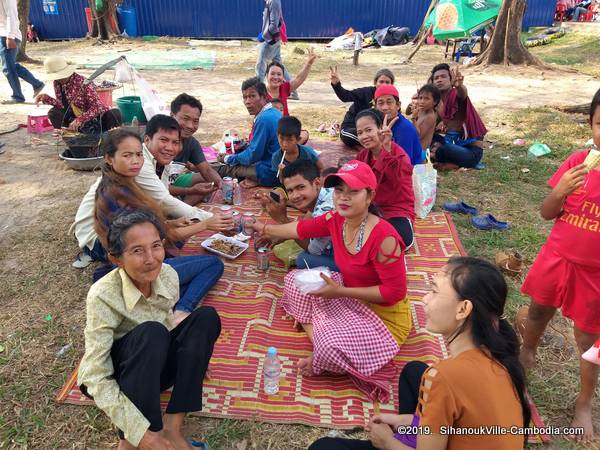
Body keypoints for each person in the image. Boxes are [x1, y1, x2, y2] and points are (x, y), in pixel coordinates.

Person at [309, 257, 531, 450]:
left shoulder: (444, 376)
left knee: (323, 447)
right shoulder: (500, 358)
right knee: (414, 371)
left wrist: (386, 441)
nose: (424, 298)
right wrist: (406, 421)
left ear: (463, 309)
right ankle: (412, 434)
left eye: (434, 291)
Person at [250, 160, 411, 400]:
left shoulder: (384, 237)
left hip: (383, 318)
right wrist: (260, 227)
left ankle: (327, 347)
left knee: (328, 347)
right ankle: (322, 335)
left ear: (369, 196)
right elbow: (299, 230)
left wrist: (341, 293)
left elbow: (394, 293)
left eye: (353, 192)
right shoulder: (336, 219)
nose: (343, 198)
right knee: (295, 279)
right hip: (347, 294)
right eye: (338, 191)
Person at [78, 209, 221, 450]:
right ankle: (141, 438)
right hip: (122, 376)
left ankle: (172, 429)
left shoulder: (168, 275)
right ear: (116, 259)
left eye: (156, 246)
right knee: (151, 333)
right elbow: (95, 375)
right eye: (137, 250)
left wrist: (191, 359)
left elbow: (167, 324)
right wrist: (143, 434)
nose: (151, 258)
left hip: (154, 369)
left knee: (205, 318)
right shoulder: (103, 295)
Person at [518, 89, 600, 444]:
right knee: (538, 311)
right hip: (556, 257)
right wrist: (560, 190)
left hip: (594, 273)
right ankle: (527, 351)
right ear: (590, 124)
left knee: (587, 337)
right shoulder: (577, 163)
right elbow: (546, 212)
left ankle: (584, 401)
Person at [93, 128, 229, 323]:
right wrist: (205, 225)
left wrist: (172, 222)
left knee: (182, 240)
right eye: (127, 155)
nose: (135, 160)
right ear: (109, 158)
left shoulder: (121, 184)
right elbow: (161, 237)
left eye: (139, 154)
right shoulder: (118, 193)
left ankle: (158, 297)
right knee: (213, 264)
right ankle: (181, 310)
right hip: (138, 266)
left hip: (135, 255)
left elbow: (145, 225)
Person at [71, 115, 229, 268]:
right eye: (164, 140)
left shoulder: (143, 166)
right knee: (195, 252)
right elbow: (164, 207)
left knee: (179, 230)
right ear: (147, 140)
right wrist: (208, 222)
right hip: (98, 240)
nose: (170, 147)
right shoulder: (129, 176)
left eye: (175, 142)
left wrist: (173, 222)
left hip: (124, 229)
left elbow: (160, 198)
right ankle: (96, 256)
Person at [262, 159, 338, 271]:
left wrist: (283, 220)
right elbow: (306, 222)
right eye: (290, 191)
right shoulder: (324, 193)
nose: (295, 196)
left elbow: (314, 250)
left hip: (356, 261)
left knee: (303, 259)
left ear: (316, 183)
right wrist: (282, 234)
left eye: (301, 187)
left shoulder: (325, 208)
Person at [355, 109, 415, 249]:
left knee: (400, 240)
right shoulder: (362, 155)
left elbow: (396, 181)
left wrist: (386, 150)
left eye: (368, 130)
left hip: (396, 210)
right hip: (370, 209)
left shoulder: (399, 155)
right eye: (360, 133)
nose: (364, 136)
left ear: (381, 129)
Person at [214, 77, 282, 188]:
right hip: (276, 168)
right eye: (245, 97)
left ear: (264, 96)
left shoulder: (264, 119)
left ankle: (197, 169)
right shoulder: (274, 112)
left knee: (224, 169)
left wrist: (228, 158)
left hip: (269, 172)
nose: (247, 102)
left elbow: (253, 155)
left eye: (252, 96)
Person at [34, 56, 121, 133]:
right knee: (54, 113)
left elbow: (97, 107)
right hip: (74, 119)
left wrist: (80, 119)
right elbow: (62, 106)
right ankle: (71, 138)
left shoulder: (83, 83)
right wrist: (47, 98)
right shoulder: (57, 83)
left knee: (114, 113)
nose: (58, 78)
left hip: (94, 119)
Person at [429, 63, 487, 169]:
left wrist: (459, 86)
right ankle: (443, 158)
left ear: (451, 80)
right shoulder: (436, 103)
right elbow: (429, 128)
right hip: (450, 143)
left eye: (443, 76)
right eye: (436, 78)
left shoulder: (455, 93)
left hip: (470, 151)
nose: (439, 80)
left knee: (443, 149)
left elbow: (463, 94)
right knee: (423, 139)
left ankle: (449, 161)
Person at [168, 93, 221, 205]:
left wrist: (222, 184)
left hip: (172, 181)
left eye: (195, 121)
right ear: (172, 115)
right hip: (153, 187)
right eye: (186, 119)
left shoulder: (191, 143)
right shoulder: (159, 141)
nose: (190, 126)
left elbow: (206, 170)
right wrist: (191, 190)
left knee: (208, 179)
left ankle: (182, 209)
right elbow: (155, 187)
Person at [330, 67, 395, 149]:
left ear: (392, 84)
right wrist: (336, 84)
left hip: (375, 131)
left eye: (387, 82)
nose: (384, 85)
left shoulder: (392, 97)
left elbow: (395, 115)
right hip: (353, 129)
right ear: (375, 82)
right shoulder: (365, 92)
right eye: (381, 82)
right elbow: (345, 96)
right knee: (372, 139)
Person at [0, 0, 45, 104]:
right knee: (11, 66)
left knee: (8, 68)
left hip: (8, 36)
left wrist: (10, 37)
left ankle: (18, 96)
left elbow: (12, 17)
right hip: (3, 34)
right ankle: (37, 84)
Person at [373, 84, 424, 166]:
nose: (385, 107)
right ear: (375, 106)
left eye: (389, 102)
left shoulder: (405, 128)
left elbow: (404, 163)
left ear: (398, 105)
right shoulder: (378, 123)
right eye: (380, 103)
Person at [265, 48, 316, 119]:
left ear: (283, 77)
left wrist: (309, 63)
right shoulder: (261, 94)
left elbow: (299, 79)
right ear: (267, 75)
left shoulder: (284, 88)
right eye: (272, 74)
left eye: (279, 74)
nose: (276, 77)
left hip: (286, 127)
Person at [271, 116, 323, 180]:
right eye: (281, 138)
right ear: (277, 136)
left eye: (289, 140)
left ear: (298, 139)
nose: (284, 144)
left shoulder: (308, 153)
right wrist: (281, 172)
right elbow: (282, 182)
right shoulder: (276, 157)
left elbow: (321, 168)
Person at [256, 0, 291, 85]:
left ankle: (259, 90)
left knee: (260, 65)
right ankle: (291, 90)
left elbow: (274, 24)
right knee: (279, 66)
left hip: (270, 40)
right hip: (273, 39)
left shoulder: (274, 1)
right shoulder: (271, 1)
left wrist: (263, 36)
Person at [412, 84, 440, 152]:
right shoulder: (421, 110)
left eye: (426, 98)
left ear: (435, 102)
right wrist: (413, 102)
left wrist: (413, 119)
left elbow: (418, 136)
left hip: (420, 152)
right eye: (420, 98)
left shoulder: (430, 117)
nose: (422, 101)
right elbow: (407, 112)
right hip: (415, 149)